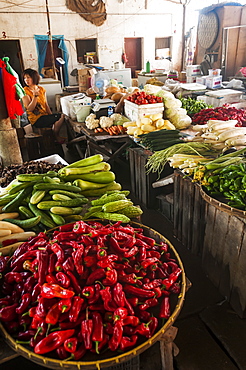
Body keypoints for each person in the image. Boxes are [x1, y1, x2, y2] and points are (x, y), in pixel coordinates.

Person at [22, 68, 66, 143]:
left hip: (44, 116)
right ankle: (56, 136)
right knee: (60, 116)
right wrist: (35, 97)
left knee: (61, 116)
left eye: (28, 77)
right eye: (25, 78)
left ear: (34, 78)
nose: (26, 80)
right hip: (36, 119)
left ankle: (54, 135)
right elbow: (30, 109)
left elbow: (46, 104)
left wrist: (51, 116)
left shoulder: (41, 89)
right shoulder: (25, 91)